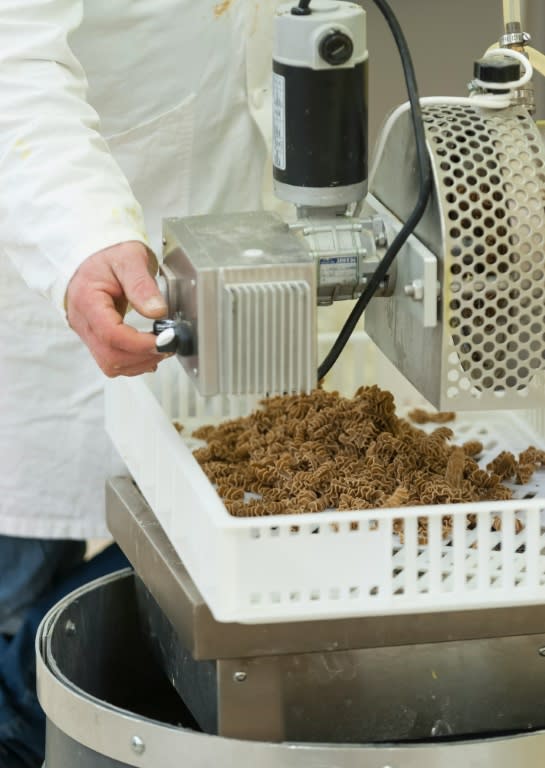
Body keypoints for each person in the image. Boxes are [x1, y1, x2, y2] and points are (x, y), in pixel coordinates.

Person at [0, 1, 278, 765]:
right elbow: (10, 59)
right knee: (22, 597)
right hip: (48, 242)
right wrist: (82, 234)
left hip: (207, 212)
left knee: (166, 550)